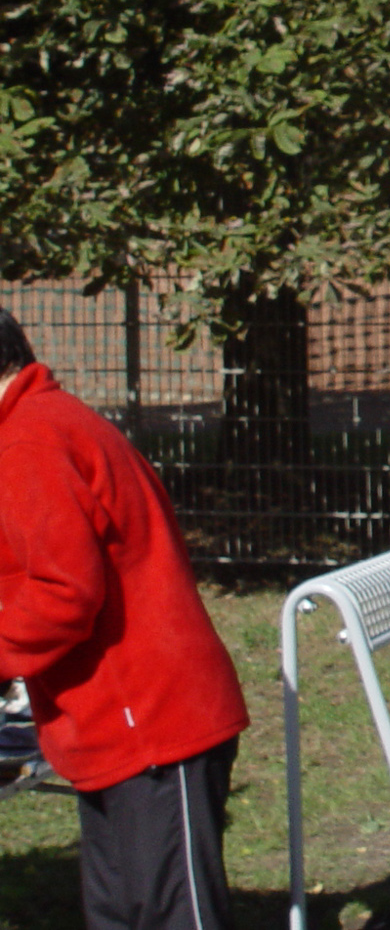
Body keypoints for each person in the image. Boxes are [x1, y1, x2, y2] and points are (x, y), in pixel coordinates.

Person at [0, 308, 249, 930]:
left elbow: (62, 593)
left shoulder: (29, 442)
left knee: (173, 913)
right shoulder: (42, 425)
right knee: (121, 910)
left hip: (152, 720)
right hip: (118, 721)